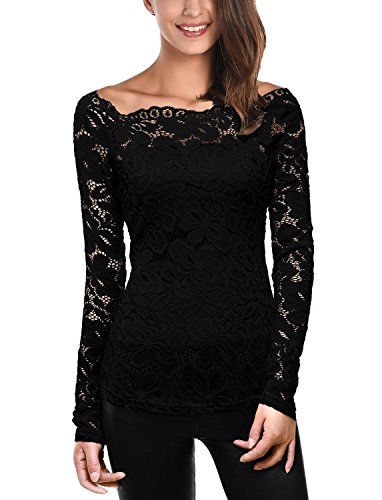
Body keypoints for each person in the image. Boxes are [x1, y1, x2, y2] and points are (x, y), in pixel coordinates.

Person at [71, 1, 314, 498]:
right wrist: (87, 414)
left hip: (251, 388)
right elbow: (103, 270)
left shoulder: (273, 111)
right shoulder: (101, 115)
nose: (192, 8)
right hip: (138, 386)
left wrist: (280, 392)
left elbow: (295, 255)